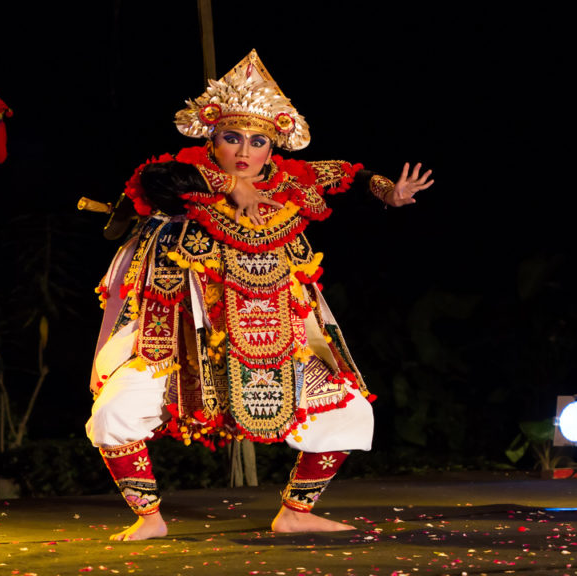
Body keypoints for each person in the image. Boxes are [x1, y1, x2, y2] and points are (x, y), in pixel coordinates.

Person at [85, 50, 433, 541]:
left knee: (352, 409)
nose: (243, 151)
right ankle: (149, 518)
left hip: (278, 335)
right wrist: (227, 184)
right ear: (213, 138)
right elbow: (151, 180)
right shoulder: (184, 178)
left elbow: (349, 175)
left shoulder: (292, 182)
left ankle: (295, 510)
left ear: (273, 146)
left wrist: (386, 192)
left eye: (257, 141)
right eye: (231, 138)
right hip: (184, 340)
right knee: (117, 411)